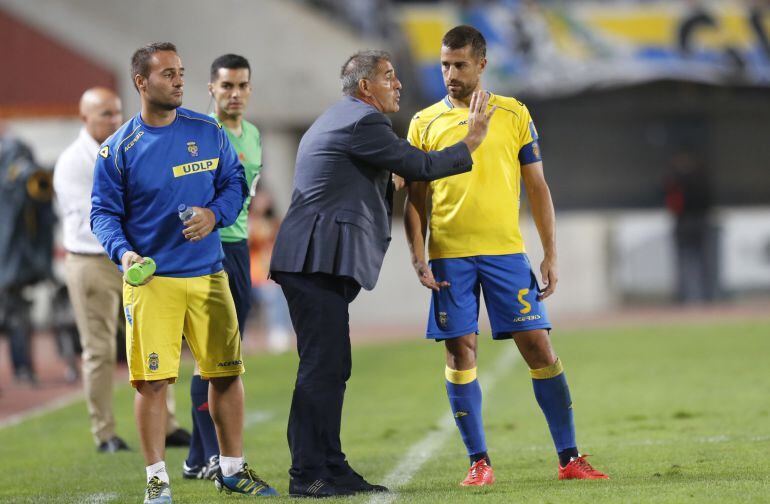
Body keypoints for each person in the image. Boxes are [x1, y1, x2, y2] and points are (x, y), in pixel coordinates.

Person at [269, 49, 495, 498]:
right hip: (316, 258)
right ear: (365, 87)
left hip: (310, 257)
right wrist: (470, 141)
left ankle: (330, 466)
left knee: (330, 365)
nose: (399, 85)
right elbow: (421, 167)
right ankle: (308, 474)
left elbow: (349, 179)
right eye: (389, 77)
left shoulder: (339, 118)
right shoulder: (364, 122)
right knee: (322, 367)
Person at [403, 25, 609, 486]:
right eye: (444, 64)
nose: (450, 73)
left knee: (539, 347)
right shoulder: (423, 122)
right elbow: (415, 197)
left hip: (505, 254)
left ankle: (569, 458)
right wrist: (417, 255)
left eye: (458, 64)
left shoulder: (514, 113)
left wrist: (550, 253)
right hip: (450, 256)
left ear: (481, 64)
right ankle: (479, 462)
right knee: (461, 353)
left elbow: (537, 187)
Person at [90, 42, 277, 503]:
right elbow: (102, 214)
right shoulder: (118, 150)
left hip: (210, 275)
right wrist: (124, 253)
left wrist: (215, 215)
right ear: (141, 82)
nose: (179, 81)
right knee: (153, 384)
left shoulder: (208, 130)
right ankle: (157, 480)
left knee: (227, 374)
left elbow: (234, 183)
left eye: (181, 72)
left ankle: (231, 469)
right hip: (153, 283)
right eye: (168, 74)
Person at [53, 87, 190, 454]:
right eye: (105, 115)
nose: (114, 120)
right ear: (85, 118)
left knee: (155, 340)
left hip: (133, 259)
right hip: (92, 262)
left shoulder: (122, 150)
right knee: (98, 350)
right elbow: (101, 218)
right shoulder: (73, 162)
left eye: (116, 113)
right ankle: (105, 433)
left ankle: (168, 424)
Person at [183, 53, 263, 481]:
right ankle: (214, 455)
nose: (235, 93)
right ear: (211, 89)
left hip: (240, 248)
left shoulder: (252, 134)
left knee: (228, 354)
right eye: (227, 86)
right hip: (209, 249)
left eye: (242, 85)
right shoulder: (200, 134)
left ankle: (196, 457)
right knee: (211, 356)